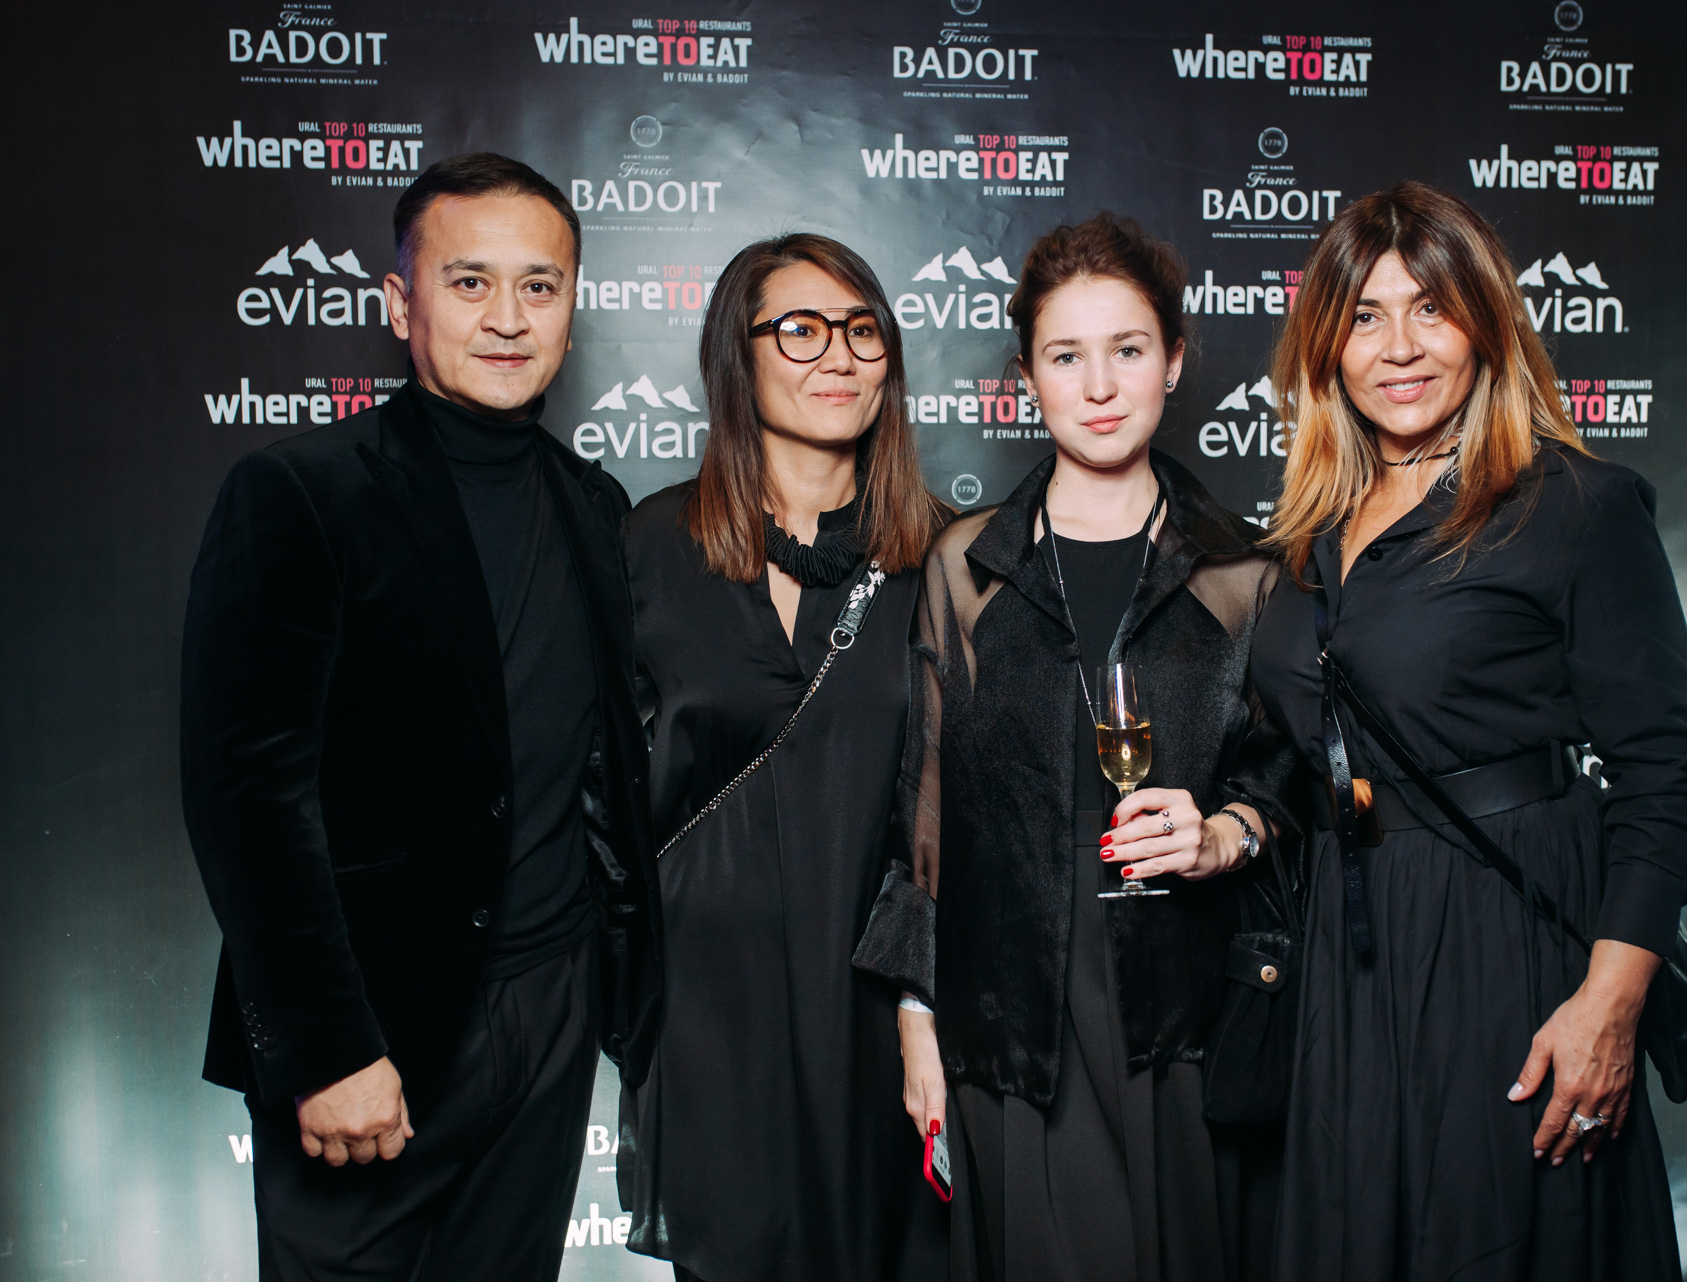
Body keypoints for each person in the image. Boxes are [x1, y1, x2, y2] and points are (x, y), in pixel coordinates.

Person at [180, 153, 661, 1282]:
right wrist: (327, 1046)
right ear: (401, 305)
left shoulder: (596, 506)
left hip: (550, 1015)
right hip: (370, 1030)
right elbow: (247, 798)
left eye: (539, 286)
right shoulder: (301, 491)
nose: (508, 318)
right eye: (470, 282)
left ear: (572, 308)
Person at [1249, 181, 1687, 1281]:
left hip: (1503, 944)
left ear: (1486, 322)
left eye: (1431, 308)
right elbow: (1299, 751)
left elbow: (1670, 780)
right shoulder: (1309, 530)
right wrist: (1231, 823)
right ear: (1326, 348)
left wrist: (1609, 1006)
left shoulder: (1574, 505)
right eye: (1365, 317)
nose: (1399, 347)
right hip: (1349, 955)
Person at [865, 212, 1292, 1282]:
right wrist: (917, 1017)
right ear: (1027, 379)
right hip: (1013, 1018)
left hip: (1189, 1017)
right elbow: (924, 811)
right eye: (1066, 356)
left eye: (1128, 349)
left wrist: (1228, 832)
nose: (1099, 385)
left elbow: (1289, 775)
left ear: (1175, 361)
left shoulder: (1246, 570)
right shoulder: (966, 566)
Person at [618, 233, 948, 1282]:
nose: (838, 355)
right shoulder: (651, 545)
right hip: (711, 1011)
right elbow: (598, 789)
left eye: (862, 330)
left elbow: (971, 806)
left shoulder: (946, 558)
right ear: (738, 352)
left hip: (880, 1009)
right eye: (800, 329)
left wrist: (925, 1002)